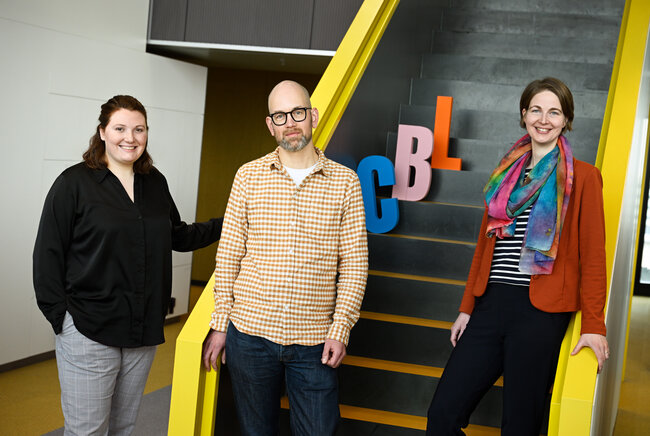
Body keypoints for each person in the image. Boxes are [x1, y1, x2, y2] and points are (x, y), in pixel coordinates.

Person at [425, 77, 609, 435]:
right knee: (442, 416)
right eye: (536, 109)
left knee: (520, 427)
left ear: (566, 119)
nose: (544, 119)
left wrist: (593, 326)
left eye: (554, 111)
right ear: (524, 114)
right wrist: (467, 307)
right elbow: (484, 246)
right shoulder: (505, 174)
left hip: (540, 314)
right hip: (491, 304)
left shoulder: (585, 178)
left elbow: (593, 257)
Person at [33, 95, 223, 436]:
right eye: (120, 128)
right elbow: (48, 254)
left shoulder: (154, 182)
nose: (130, 138)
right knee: (87, 430)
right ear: (103, 132)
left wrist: (231, 222)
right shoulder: (73, 183)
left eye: (139, 129)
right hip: (89, 329)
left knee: (123, 428)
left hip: (141, 330)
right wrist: (61, 319)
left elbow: (176, 236)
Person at [202, 80, 368, 435]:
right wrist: (220, 325)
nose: (290, 122)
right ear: (270, 124)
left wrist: (341, 329)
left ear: (313, 116)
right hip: (249, 336)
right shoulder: (248, 176)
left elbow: (354, 265)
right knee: (255, 431)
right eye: (280, 115)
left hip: (315, 343)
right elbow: (229, 254)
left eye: (297, 112)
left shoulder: (346, 183)